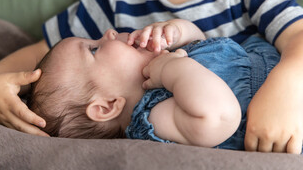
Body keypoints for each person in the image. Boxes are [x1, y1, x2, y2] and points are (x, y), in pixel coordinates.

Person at [0, 0, 303, 153]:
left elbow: (296, 36)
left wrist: (287, 85)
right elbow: (47, 58)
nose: (108, 36)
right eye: (96, 45)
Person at [27, 19, 282, 151]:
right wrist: (172, 69)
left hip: (280, 68)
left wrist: (176, 31)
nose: (108, 33)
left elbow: (205, 44)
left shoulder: (161, 64)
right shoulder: (154, 118)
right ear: (106, 107)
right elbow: (220, 116)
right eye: (94, 49)